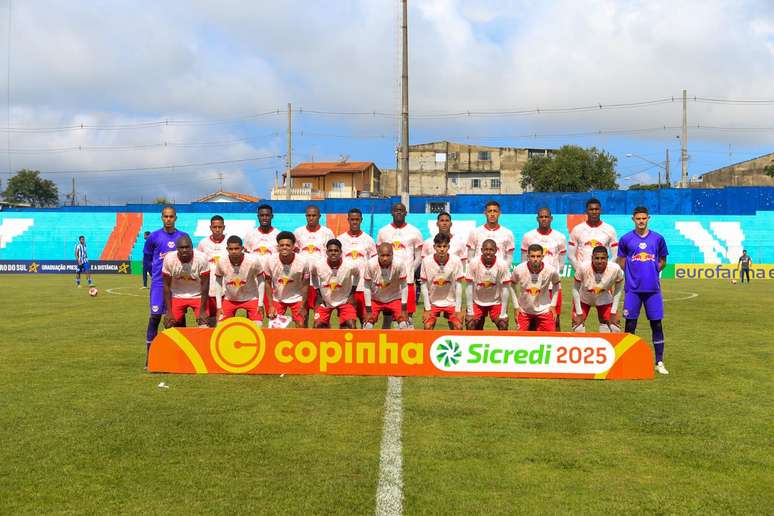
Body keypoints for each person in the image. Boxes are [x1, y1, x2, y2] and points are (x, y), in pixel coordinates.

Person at [616, 206, 670, 375]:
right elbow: (621, 261)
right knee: (630, 323)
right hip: (633, 290)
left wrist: (653, 271)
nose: (641, 221)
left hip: (653, 290)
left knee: (656, 324)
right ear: (633, 219)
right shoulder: (626, 239)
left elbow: (663, 260)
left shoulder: (658, 239)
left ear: (648, 218)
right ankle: (627, 359)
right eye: (638, 218)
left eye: (644, 218)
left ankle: (659, 361)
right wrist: (632, 275)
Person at [142, 206, 189, 368]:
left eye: (171, 217)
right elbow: (147, 260)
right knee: (155, 317)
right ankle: (151, 357)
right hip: (159, 283)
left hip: (178, 283)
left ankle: (182, 356)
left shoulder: (183, 237)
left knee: (179, 318)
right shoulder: (153, 237)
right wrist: (154, 274)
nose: (168, 219)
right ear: (162, 218)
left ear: (176, 218)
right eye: (165, 217)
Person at [376, 203, 423, 327]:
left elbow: (418, 256)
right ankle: (385, 343)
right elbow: (378, 255)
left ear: (406, 213)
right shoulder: (383, 231)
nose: (399, 212)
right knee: (387, 318)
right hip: (388, 281)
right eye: (396, 210)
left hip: (407, 281)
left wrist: (410, 270)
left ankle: (408, 343)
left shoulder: (415, 231)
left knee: (407, 317)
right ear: (391, 213)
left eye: (401, 210)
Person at [521, 207, 567, 329]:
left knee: (554, 319)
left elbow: (561, 263)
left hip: (552, 286)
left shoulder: (560, 237)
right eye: (541, 217)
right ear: (537, 219)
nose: (544, 219)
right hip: (532, 285)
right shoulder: (528, 236)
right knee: (531, 319)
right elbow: (523, 262)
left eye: (546, 217)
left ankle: (555, 346)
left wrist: (552, 275)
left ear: (551, 218)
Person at [214, 235, 272, 325]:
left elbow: (261, 280)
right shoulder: (221, 261)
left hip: (251, 298)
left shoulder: (253, 260)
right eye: (231, 249)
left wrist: (260, 303)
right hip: (230, 299)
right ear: (227, 249)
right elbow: (218, 283)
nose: (233, 251)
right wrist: (219, 306)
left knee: (258, 326)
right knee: (220, 326)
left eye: (236, 248)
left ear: (242, 248)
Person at [294, 205, 335, 326]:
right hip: (303, 280)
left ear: (319, 216)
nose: (311, 218)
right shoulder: (298, 232)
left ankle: (319, 338)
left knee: (320, 312)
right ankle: (304, 338)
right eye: (308, 215)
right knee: (303, 312)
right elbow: (294, 254)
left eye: (314, 215)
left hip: (321, 280)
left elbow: (332, 254)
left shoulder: (327, 233)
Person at [338, 208, 377, 324]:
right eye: (352, 219)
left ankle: (365, 342)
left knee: (365, 320)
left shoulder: (369, 240)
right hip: (346, 288)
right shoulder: (340, 239)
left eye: (357, 219)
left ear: (361, 220)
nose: (354, 222)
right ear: (348, 220)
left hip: (364, 287)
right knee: (348, 322)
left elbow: (374, 263)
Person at [571, 246, 624, 332]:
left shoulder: (615, 269)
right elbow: (575, 289)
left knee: (615, 328)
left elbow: (618, 289)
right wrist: (579, 312)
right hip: (584, 299)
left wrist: (613, 312)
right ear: (592, 258)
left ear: (607, 258)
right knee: (578, 328)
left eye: (603, 258)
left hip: (604, 299)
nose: (600, 261)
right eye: (597, 258)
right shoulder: (583, 267)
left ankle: (605, 344)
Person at [161, 235, 210, 328]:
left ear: (192, 247)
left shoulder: (202, 258)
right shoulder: (169, 259)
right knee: (168, 324)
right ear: (177, 248)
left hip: (198, 295)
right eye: (181, 248)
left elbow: (205, 284)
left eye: (187, 247)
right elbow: (166, 285)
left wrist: (203, 310)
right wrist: (169, 311)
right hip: (177, 295)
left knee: (204, 325)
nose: (184, 250)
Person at [264, 231, 310, 327]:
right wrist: (271, 305)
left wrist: (303, 305)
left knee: (301, 325)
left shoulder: (303, 262)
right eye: (282, 245)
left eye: (288, 245)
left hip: (297, 298)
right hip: (278, 299)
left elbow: (306, 285)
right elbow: (267, 283)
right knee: (274, 328)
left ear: (293, 247)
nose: (284, 247)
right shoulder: (270, 261)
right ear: (278, 247)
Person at [511, 244, 561, 331]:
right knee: (519, 339)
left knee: (551, 337)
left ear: (542, 256)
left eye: (538, 256)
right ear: (528, 256)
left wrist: (553, 305)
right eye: (532, 256)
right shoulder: (519, 269)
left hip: (544, 310)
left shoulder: (551, 270)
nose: (535, 259)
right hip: (524, 310)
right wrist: (516, 306)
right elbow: (511, 285)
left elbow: (556, 284)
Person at [420, 233, 465, 330]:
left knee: (458, 326)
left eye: (444, 246)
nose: (441, 249)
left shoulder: (456, 260)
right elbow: (423, 285)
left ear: (448, 247)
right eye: (439, 246)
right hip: (433, 302)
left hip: (451, 302)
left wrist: (458, 309)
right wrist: (427, 308)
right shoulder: (426, 261)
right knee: (428, 326)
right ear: (434, 247)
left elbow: (459, 286)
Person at [311, 239, 359, 329]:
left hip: (344, 301)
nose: (333, 253)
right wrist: (318, 292)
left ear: (341, 252)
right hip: (326, 301)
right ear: (326, 252)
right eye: (330, 250)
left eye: (336, 250)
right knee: (317, 327)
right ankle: (327, 338)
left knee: (351, 326)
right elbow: (313, 275)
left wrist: (352, 293)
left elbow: (357, 275)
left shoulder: (350, 265)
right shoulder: (318, 265)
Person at [465, 239, 511, 331]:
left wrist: (503, 314)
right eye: (486, 249)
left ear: (496, 250)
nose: (488, 252)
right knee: (471, 324)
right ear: (481, 250)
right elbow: (469, 287)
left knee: (503, 324)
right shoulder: (474, 263)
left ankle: (501, 345)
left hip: (496, 302)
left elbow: (506, 289)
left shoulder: (502, 264)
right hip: (477, 301)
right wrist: (470, 311)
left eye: (491, 250)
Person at [363, 243, 409, 329]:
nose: (385, 258)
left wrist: (404, 309)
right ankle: (368, 342)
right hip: (375, 299)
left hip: (394, 298)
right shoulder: (370, 264)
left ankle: (401, 341)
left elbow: (404, 286)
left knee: (404, 323)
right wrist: (368, 310)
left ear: (392, 255)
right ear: (378, 254)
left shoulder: (399, 264)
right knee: (367, 325)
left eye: (388, 255)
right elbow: (366, 287)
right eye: (382, 255)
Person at [568, 198, 618, 273]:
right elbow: (571, 256)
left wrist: (606, 270)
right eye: (591, 209)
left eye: (596, 209)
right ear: (586, 211)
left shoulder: (610, 229)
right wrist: (580, 271)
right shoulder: (577, 229)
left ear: (600, 211)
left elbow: (615, 255)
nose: (594, 212)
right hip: (583, 274)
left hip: (603, 274)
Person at [197, 215, 228, 327]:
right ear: (210, 227)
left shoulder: (229, 242)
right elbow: (198, 262)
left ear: (224, 227)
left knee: (223, 321)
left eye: (220, 227)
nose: (217, 229)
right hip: (208, 288)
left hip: (225, 288)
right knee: (208, 320)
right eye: (215, 227)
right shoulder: (203, 243)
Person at [466, 200, 515, 264]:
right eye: (489, 211)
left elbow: (509, 258)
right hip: (479, 272)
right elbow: (470, 257)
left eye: (495, 211)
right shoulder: (475, 232)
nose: (492, 214)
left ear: (499, 213)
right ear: (485, 213)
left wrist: (502, 271)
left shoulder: (508, 233)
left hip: (499, 272)